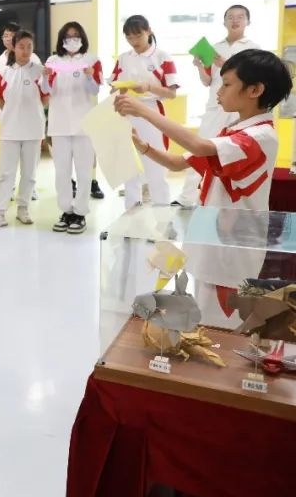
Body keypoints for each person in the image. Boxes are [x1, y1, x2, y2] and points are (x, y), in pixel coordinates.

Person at [116, 50, 292, 327]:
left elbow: (198, 146)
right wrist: (144, 147)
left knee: (222, 325)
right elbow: (177, 162)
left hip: (231, 248)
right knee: (205, 316)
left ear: (255, 90)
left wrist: (143, 110)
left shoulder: (260, 137)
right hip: (212, 239)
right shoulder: (233, 131)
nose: (218, 92)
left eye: (227, 84)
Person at [175, 4, 261, 208]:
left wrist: (227, 64)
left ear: (248, 21)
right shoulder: (215, 47)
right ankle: (186, 198)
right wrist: (199, 67)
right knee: (199, 148)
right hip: (216, 105)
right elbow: (208, 81)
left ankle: (227, 199)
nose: (235, 20)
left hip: (241, 108)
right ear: (224, 22)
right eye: (230, 17)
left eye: (240, 17)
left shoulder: (254, 49)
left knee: (233, 152)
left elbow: (254, 78)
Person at [110, 15, 179, 209]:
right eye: (129, 37)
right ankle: (131, 213)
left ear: (149, 31)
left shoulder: (162, 57)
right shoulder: (124, 58)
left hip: (151, 113)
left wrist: (148, 87)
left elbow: (171, 93)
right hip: (126, 111)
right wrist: (120, 89)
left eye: (138, 35)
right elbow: (113, 86)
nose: (134, 41)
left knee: (156, 167)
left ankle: (162, 213)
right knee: (129, 168)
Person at [0, 30, 50, 230]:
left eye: (29, 46)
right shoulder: (4, 72)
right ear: (13, 47)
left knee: (29, 173)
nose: (26, 51)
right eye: (21, 46)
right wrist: (12, 113)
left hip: (33, 130)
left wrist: (31, 112)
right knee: (6, 173)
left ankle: (23, 209)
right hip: (9, 130)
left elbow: (46, 98)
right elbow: (0, 98)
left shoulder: (40, 71)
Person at [46, 22, 102, 234]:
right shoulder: (53, 61)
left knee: (84, 171)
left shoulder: (92, 59)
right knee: (62, 172)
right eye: (68, 36)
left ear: (82, 38)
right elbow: (46, 89)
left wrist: (89, 74)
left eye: (76, 35)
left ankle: (80, 213)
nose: (72, 40)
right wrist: (45, 76)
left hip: (83, 124)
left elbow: (95, 90)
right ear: (62, 39)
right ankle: (66, 211)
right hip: (59, 124)